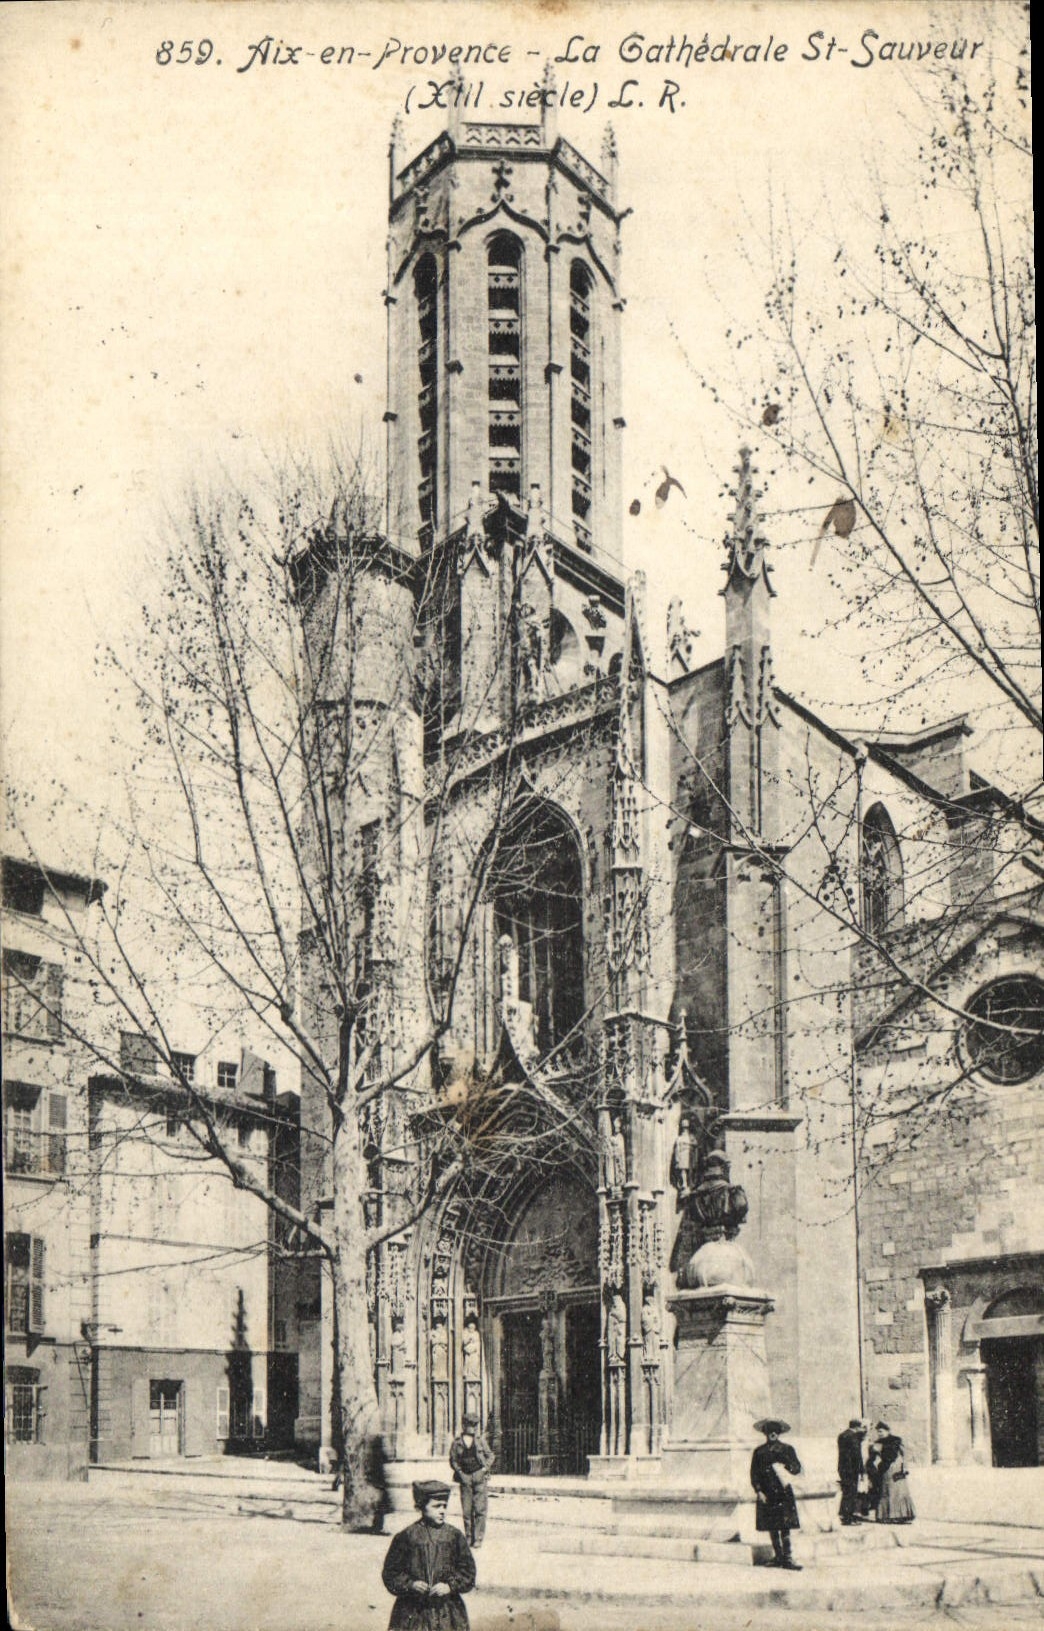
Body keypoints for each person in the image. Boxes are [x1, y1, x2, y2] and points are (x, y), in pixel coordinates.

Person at [381, 1479, 476, 1630]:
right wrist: (410, 1584)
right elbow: (391, 1573)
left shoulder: (454, 1536)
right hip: (413, 1611)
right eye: (436, 1506)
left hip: (448, 1612)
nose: (442, 1510)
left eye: (444, 1506)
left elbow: (468, 1572)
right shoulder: (406, 1537)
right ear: (421, 1507)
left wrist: (449, 1586)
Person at [751, 1418, 803, 1569]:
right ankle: (778, 1556)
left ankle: (787, 1557)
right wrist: (759, 1490)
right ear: (765, 1433)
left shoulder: (787, 1449)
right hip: (767, 1492)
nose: (772, 1434)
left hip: (783, 1491)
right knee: (772, 1525)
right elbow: (754, 1473)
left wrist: (786, 1466)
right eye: (769, 1431)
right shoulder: (759, 1452)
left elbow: (797, 1468)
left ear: (779, 1433)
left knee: (785, 1524)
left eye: (775, 1431)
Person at [448, 1413, 495, 1548]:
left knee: (480, 1509)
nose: (473, 1428)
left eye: (475, 1425)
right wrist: (460, 1472)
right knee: (467, 1510)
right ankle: (469, 1537)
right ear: (464, 1426)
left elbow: (490, 1456)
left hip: (479, 1476)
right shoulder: (457, 1442)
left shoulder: (480, 1441)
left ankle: (478, 1538)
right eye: (470, 1425)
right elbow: (453, 1460)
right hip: (465, 1478)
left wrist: (484, 1469)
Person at [874, 1429, 915, 1524]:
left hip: (897, 1468)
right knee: (887, 1491)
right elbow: (874, 1456)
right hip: (885, 1469)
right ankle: (887, 1516)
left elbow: (905, 1454)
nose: (880, 1433)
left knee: (900, 1491)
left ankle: (903, 1515)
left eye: (881, 1431)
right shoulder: (877, 1443)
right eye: (878, 1432)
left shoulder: (896, 1440)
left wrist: (905, 1466)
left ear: (887, 1431)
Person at [837, 1418, 867, 1525]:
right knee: (851, 1493)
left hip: (843, 1468)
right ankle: (848, 1517)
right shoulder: (853, 1437)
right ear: (857, 1427)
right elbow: (857, 1455)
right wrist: (862, 1470)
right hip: (852, 1469)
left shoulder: (842, 1435)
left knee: (846, 1492)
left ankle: (844, 1515)